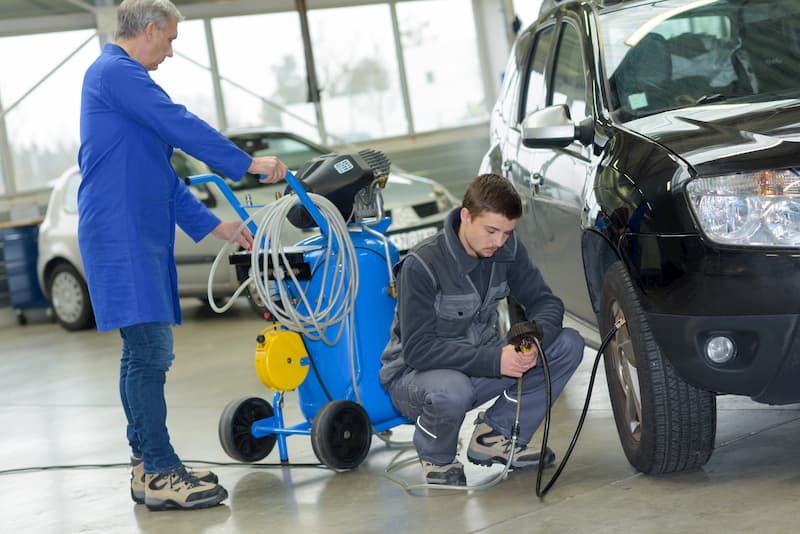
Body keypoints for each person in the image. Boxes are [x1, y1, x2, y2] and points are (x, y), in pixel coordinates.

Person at [77, 0, 288, 511]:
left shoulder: (120, 82)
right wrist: (247, 163)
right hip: (121, 234)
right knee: (150, 353)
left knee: (142, 353)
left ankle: (148, 465)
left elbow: (162, 176)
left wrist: (217, 226)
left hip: (133, 233)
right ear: (148, 30)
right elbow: (179, 122)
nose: (170, 52)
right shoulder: (115, 73)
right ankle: (161, 469)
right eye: (169, 40)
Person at [379, 173, 584, 486]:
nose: (499, 242)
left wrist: (531, 339)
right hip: (416, 377)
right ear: (465, 216)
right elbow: (418, 350)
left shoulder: (506, 250)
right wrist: (496, 360)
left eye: (507, 232)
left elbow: (546, 302)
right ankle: (436, 455)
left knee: (568, 344)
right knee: (452, 389)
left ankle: (494, 435)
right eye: (491, 231)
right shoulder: (423, 264)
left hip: (480, 364)